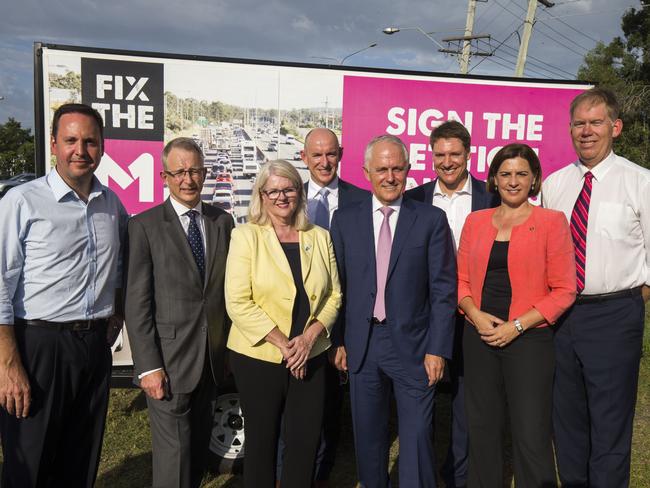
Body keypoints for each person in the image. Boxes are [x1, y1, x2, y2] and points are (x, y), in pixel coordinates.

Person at [0, 103, 127, 487]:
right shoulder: (22, 202)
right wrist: (7, 365)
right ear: (54, 144)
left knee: (80, 460)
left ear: (102, 148)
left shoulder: (112, 205)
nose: (80, 150)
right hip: (38, 346)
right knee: (30, 465)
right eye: (71, 140)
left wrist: (116, 313)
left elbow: (118, 267)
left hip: (92, 347)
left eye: (90, 142)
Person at [330, 135, 457, 488]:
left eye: (397, 168)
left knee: (416, 438)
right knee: (368, 438)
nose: (390, 176)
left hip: (415, 348)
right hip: (362, 345)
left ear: (408, 170)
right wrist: (339, 339)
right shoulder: (345, 219)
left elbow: (443, 290)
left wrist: (438, 348)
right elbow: (338, 286)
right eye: (382, 168)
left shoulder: (430, 219)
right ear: (366, 171)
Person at [543, 87, 650, 488]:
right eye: (579, 123)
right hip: (563, 316)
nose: (587, 131)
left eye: (596, 122)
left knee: (610, 425)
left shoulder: (640, 183)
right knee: (567, 423)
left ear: (616, 127)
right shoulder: (556, 184)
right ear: (570, 129)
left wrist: (625, 304)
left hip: (615, 313)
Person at [457, 143, 576, 487]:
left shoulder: (552, 222)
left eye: (521, 174)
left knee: (530, 432)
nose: (513, 181)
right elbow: (460, 280)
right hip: (478, 335)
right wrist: (475, 314)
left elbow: (565, 289)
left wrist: (518, 325)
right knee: (482, 428)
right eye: (505, 174)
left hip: (529, 339)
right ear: (493, 178)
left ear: (534, 178)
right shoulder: (475, 221)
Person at [225, 159, 341, 488]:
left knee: (305, 442)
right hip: (259, 357)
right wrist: (285, 345)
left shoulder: (319, 237)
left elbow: (334, 295)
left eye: (288, 188)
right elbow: (237, 301)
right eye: (273, 190)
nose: (282, 196)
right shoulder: (245, 236)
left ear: (299, 192)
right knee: (262, 443)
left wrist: (307, 341)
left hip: (311, 354)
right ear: (261, 196)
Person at [125, 137, 234, 488]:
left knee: (195, 453)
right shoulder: (144, 226)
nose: (189, 179)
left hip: (211, 362)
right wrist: (149, 366)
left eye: (196, 171)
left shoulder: (222, 222)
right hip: (168, 364)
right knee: (173, 459)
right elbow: (137, 303)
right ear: (164, 176)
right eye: (180, 172)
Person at [405, 120, 499, 488]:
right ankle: (424, 471)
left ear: (468, 154)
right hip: (426, 315)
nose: (447, 162)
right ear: (431, 156)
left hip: (475, 313)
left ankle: (457, 473)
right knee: (421, 398)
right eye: (440, 154)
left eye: (454, 154)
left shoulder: (491, 198)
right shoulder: (414, 199)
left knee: (466, 400)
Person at [294, 127, 369, 487]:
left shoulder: (362, 200)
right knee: (294, 403)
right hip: (294, 319)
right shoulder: (288, 198)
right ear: (304, 157)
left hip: (342, 314)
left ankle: (321, 471)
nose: (324, 162)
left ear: (340, 154)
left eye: (331, 154)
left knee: (330, 403)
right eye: (316, 155)